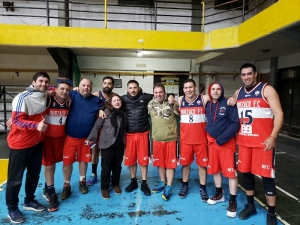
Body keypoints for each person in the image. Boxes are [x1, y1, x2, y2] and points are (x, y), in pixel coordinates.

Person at [232, 63, 283, 225]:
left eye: (249, 74)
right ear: (241, 76)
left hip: (263, 143)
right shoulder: (238, 93)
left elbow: (279, 113)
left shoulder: (267, 90)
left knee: (267, 178)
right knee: (246, 176)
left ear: (255, 74)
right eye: (243, 74)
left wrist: (273, 136)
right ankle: (250, 205)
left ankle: (272, 213)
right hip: (245, 143)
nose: (246, 77)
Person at [6, 72, 50, 224]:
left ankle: (29, 200)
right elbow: (17, 120)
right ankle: (12, 208)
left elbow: (54, 89)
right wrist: (35, 125)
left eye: (46, 82)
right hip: (20, 145)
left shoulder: (44, 94)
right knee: (15, 179)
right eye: (41, 81)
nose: (43, 84)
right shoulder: (22, 97)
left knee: (34, 175)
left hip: (36, 144)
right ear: (33, 82)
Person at [61, 78, 103, 200]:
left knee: (83, 160)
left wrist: (101, 110)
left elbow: (104, 107)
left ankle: (82, 181)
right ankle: (66, 185)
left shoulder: (97, 101)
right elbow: (58, 92)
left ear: (91, 87)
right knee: (67, 162)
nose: (86, 87)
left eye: (88, 86)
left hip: (86, 139)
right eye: (83, 85)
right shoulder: (72, 94)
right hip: (70, 137)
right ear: (78, 87)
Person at [205, 82, 240, 218]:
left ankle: (232, 201)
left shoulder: (229, 104)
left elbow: (235, 123)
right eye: (213, 89)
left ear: (222, 90)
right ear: (210, 91)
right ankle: (219, 194)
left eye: (218, 89)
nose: (215, 91)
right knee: (215, 170)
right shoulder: (208, 105)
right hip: (212, 143)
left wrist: (222, 138)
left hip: (225, 144)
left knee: (231, 174)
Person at [85, 94, 126, 199]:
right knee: (106, 167)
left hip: (119, 144)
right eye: (114, 101)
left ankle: (115, 184)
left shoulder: (123, 113)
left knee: (117, 166)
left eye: (118, 100)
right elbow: (97, 125)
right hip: (107, 144)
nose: (117, 102)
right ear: (110, 103)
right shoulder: (106, 112)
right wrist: (90, 138)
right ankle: (104, 188)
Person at [178, 78, 210, 201]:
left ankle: (203, 187)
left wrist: (233, 97)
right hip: (186, 140)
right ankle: (184, 185)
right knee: (185, 165)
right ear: (183, 89)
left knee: (202, 166)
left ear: (195, 87)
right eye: (186, 88)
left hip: (201, 140)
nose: (188, 90)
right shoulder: (180, 100)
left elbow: (220, 96)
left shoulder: (203, 99)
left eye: (190, 87)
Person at [42, 80, 70, 212]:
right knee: (49, 165)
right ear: (56, 89)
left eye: (67, 90)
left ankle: (47, 187)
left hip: (61, 138)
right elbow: (31, 97)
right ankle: (52, 193)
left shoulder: (69, 102)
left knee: (56, 164)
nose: (64, 92)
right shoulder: (47, 99)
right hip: (47, 138)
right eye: (62, 89)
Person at [122, 80, 154, 196]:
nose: (133, 90)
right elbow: (109, 102)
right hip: (129, 134)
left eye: (135, 87)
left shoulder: (145, 97)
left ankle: (144, 183)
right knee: (131, 160)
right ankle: (133, 181)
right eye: (130, 88)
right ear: (127, 89)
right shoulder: (123, 99)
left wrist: (170, 96)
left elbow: (159, 94)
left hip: (143, 133)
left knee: (143, 160)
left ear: (139, 88)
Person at [148, 84, 179, 201]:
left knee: (170, 164)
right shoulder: (150, 104)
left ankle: (169, 186)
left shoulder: (172, 104)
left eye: (160, 92)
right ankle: (162, 182)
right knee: (160, 163)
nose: (158, 94)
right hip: (156, 139)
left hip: (170, 139)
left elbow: (181, 112)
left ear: (164, 93)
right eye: (156, 92)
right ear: (153, 93)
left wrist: (173, 98)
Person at [87, 76, 115, 186]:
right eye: (105, 83)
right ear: (102, 84)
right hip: (97, 129)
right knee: (95, 152)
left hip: (108, 130)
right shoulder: (95, 95)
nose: (106, 85)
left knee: (108, 154)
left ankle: (109, 174)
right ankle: (93, 174)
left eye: (109, 83)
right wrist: (75, 89)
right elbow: (82, 96)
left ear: (112, 85)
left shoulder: (115, 97)